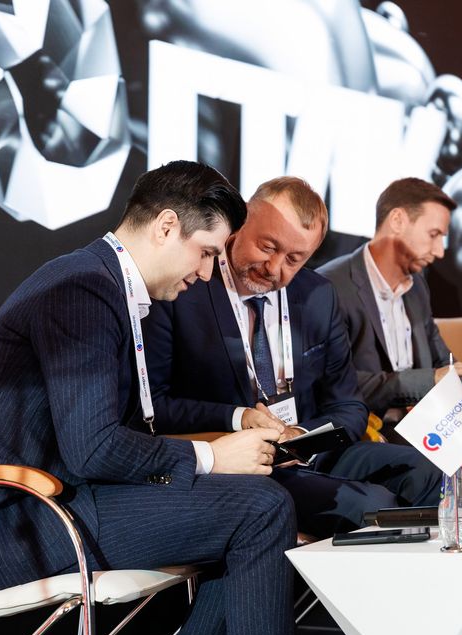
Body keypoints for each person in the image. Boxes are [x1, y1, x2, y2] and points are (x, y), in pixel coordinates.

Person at [0, 162, 297, 635]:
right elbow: (93, 448)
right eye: (206, 252)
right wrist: (210, 458)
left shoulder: (101, 282)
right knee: (261, 509)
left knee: (253, 504)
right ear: (166, 226)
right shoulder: (82, 290)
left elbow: (120, 430)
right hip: (10, 524)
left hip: (56, 500)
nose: (207, 273)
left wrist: (229, 436)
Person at [142, 176, 441, 537]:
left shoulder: (317, 295)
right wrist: (238, 419)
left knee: (428, 471)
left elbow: (349, 407)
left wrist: (300, 436)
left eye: (294, 259)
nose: (274, 267)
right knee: (372, 505)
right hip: (240, 463)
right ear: (241, 222)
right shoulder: (184, 288)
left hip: (310, 451)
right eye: (267, 247)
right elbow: (155, 406)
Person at [318, 177, 462, 422]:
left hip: (425, 426)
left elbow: (441, 360)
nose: (440, 251)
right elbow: (336, 383)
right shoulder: (330, 286)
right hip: (367, 429)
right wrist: (430, 380)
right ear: (397, 220)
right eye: (433, 234)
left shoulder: (417, 285)